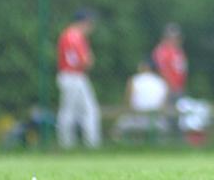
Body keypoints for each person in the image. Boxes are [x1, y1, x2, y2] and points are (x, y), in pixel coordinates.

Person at [56, 8, 101, 148]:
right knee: (83, 111)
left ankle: (68, 143)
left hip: (69, 76)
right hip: (73, 76)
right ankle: (87, 143)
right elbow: (85, 61)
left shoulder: (67, 35)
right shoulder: (75, 36)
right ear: (84, 22)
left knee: (72, 111)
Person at [112, 59, 170, 141]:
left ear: (145, 67)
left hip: (136, 119)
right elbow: (164, 104)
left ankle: (120, 147)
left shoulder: (134, 80)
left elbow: (128, 102)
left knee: (117, 129)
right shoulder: (162, 82)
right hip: (156, 120)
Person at [152, 22, 187, 102]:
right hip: (168, 89)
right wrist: (170, 87)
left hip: (179, 88)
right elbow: (161, 70)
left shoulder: (179, 51)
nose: (176, 40)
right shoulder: (162, 51)